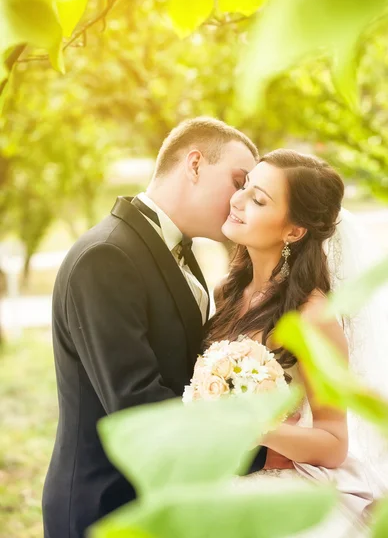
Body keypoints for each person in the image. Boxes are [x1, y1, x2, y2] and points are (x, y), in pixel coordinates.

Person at [42, 117, 259, 538]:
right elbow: (137, 403)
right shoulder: (105, 256)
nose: (241, 202)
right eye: (238, 182)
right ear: (194, 164)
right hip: (105, 506)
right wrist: (260, 448)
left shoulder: (178, 251)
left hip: (156, 498)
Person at [208, 149, 387, 536]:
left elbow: (334, 441)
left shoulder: (311, 318)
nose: (237, 201)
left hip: (278, 491)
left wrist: (254, 427)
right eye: (244, 187)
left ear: (294, 231)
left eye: (258, 200)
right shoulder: (228, 292)